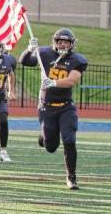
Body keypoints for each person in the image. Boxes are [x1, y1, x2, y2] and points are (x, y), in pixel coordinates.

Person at [20, 28, 87, 189]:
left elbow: (71, 80)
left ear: (72, 44)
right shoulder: (44, 53)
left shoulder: (77, 60)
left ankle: (71, 177)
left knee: (69, 140)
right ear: (55, 42)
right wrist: (29, 50)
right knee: (51, 147)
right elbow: (25, 61)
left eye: (66, 42)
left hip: (66, 107)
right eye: (60, 41)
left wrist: (54, 82)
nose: (63, 44)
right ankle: (43, 137)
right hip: (47, 107)